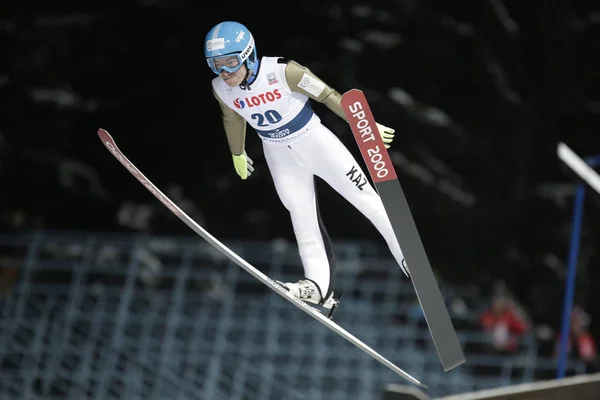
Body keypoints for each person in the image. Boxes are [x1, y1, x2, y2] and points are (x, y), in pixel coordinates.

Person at [205, 21, 409, 310]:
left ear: (249, 55)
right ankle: (318, 286)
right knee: (300, 215)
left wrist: (364, 126)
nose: (224, 73)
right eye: (216, 65)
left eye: (230, 62)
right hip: (277, 152)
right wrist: (237, 152)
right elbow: (232, 117)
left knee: (365, 199)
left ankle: (406, 255)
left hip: (313, 141)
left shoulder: (284, 72)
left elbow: (328, 95)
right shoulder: (220, 88)